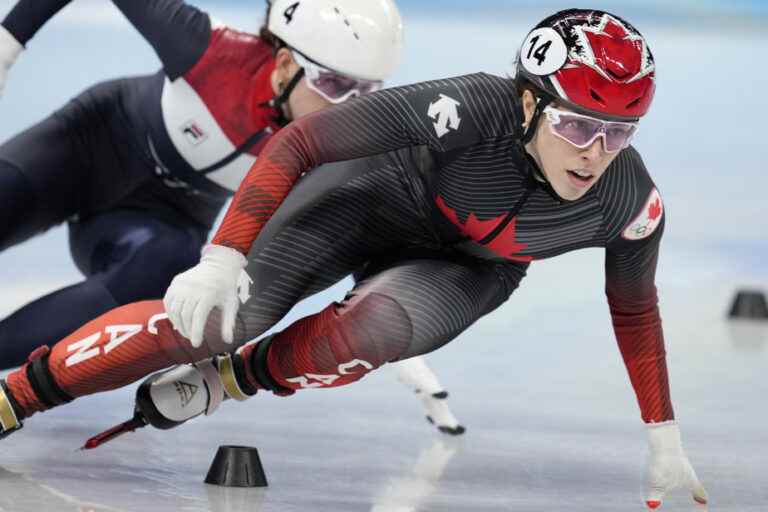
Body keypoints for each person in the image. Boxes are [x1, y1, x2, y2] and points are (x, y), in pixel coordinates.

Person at [0, 8, 705, 508]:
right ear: (526, 102)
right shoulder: (468, 107)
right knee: (213, 320)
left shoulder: (629, 201)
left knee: (379, 330)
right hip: (368, 197)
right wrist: (225, 254)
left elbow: (635, 308)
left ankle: (233, 381)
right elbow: (301, 143)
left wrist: (663, 431)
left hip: (469, 266)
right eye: (578, 125)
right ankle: (14, 398)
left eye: (618, 133)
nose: (594, 153)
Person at [0, 0, 463, 433]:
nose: (348, 105)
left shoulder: (336, 149)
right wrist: (10, 40)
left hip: (153, 224)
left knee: (171, 270)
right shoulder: (207, 49)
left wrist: (395, 345)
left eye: (367, 91)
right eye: (335, 85)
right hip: (81, 153)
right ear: (285, 64)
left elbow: (357, 238)